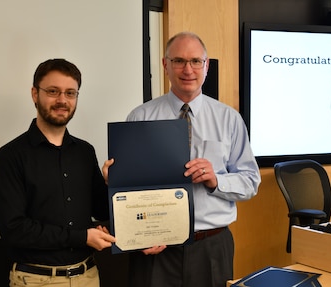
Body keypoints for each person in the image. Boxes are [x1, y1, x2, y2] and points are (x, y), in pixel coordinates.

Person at [103, 32, 261, 287]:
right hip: (155, 248)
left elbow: (251, 182)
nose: (188, 69)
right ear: (165, 65)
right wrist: (116, 181)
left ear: (206, 66)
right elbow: (128, 192)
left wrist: (216, 181)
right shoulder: (140, 118)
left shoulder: (229, 119)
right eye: (178, 61)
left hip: (210, 246)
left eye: (196, 61)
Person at [0, 58, 115, 287]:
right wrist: (82, 237)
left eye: (70, 93)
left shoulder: (85, 152)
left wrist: (112, 185)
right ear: (34, 94)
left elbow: (100, 209)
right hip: (36, 280)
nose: (62, 100)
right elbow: (14, 230)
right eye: (53, 91)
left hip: (88, 276)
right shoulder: (10, 157)